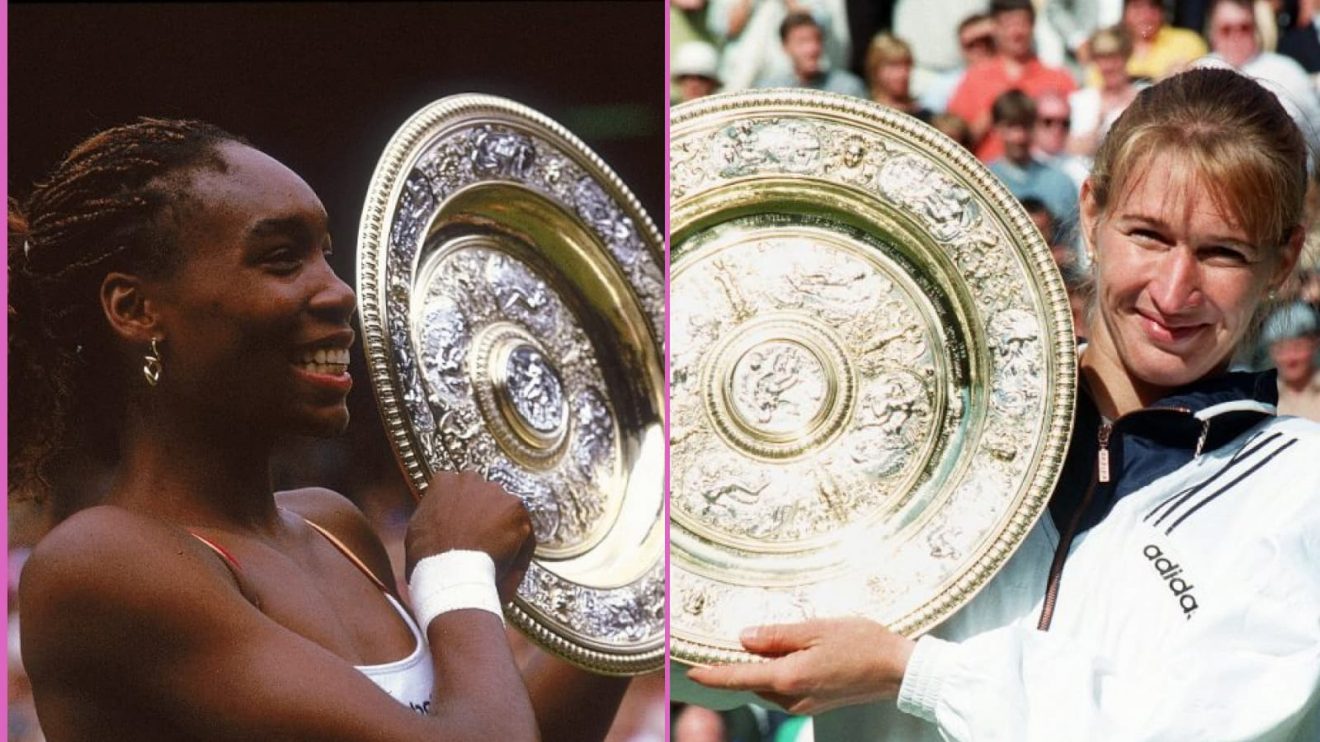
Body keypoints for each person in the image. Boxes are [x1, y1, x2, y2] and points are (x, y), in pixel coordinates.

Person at [680, 68, 1320, 741]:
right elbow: (717, 649)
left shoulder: (1297, 487)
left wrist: (915, 674)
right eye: (1149, 236)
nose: (1174, 288)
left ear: (1281, 264)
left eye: (1222, 253)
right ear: (1093, 215)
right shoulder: (935, 418)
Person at [9, 118, 630, 741]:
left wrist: (645, 582)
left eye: (324, 255)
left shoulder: (334, 528)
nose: (339, 292)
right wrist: (457, 574)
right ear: (136, 309)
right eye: (282, 259)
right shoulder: (100, 563)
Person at [947, 0, 1078, 162]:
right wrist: (990, 117)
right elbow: (951, 143)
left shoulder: (1059, 78)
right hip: (984, 177)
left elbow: (1076, 140)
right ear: (995, 28)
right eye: (1008, 24)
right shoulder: (974, 78)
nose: (1016, 32)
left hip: (1043, 178)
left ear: (1032, 26)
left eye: (1022, 23)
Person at [1197, 0, 1320, 156]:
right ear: (1213, 34)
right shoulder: (1200, 71)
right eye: (1226, 29)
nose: (1236, 36)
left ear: (1256, 28)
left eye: (1244, 28)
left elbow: (1316, 132)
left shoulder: (1288, 71)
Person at [987, 90, 1080, 231]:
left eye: (1026, 126)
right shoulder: (984, 181)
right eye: (1011, 127)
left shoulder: (1060, 183)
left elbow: (1073, 241)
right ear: (996, 128)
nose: (1019, 137)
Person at [1069, 25, 1143, 158]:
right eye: (1102, 59)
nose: (1108, 66)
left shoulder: (1145, 99)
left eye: (1114, 57)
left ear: (1126, 57)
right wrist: (1099, 121)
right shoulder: (1081, 100)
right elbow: (1073, 151)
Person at [758, 12, 868, 97]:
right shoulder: (770, 91)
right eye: (802, 42)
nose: (812, 49)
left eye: (816, 40)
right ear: (785, 47)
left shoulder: (847, 89)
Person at [1120, 0, 1208, 81]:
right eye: (1137, 7)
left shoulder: (1188, 41)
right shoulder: (1113, 47)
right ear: (1125, 13)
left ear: (1162, 12)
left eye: (1153, 6)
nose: (1146, 14)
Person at [1263, 301, 1320, 420]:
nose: (1290, 358)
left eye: (1298, 347)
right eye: (1281, 349)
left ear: (1315, 344)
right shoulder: (1262, 400)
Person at [863, 33, 933, 122]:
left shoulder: (925, 117)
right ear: (875, 69)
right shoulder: (865, 113)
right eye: (894, 66)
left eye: (907, 65)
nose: (903, 73)